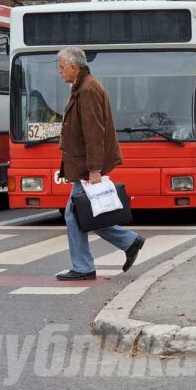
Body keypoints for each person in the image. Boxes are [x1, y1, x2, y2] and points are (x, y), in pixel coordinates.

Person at [55, 46, 144, 281]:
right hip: (82, 164)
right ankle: (129, 241)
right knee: (83, 213)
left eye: (61, 67)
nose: (59, 71)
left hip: (86, 166)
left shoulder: (87, 89)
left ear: (74, 67)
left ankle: (84, 266)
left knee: (76, 214)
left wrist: (94, 169)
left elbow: (94, 132)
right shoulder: (83, 86)